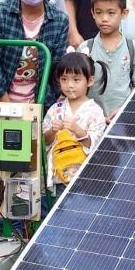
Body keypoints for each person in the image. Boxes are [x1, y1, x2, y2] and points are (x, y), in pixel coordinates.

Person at [78, 0, 135, 121]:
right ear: (92, 13)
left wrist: (123, 109)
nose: (104, 19)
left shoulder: (133, 48)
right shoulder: (85, 49)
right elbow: (78, 86)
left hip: (123, 119)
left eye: (111, 13)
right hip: (91, 121)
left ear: (124, 13)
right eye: (99, 12)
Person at [43, 52, 107, 195]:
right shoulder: (55, 109)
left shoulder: (95, 111)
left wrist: (77, 130)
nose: (69, 85)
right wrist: (52, 131)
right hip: (59, 175)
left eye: (76, 80)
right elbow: (44, 142)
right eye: (64, 79)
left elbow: (94, 144)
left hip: (86, 178)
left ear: (90, 81)